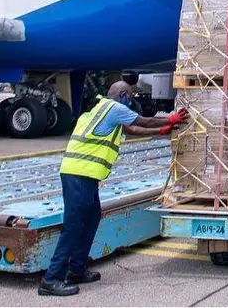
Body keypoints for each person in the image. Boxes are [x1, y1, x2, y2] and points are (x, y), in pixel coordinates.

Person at [38, 81, 188, 297]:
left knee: (91, 219)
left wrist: (163, 130)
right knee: (73, 226)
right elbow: (143, 120)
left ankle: (76, 270)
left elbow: (132, 129)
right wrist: (170, 119)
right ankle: (51, 279)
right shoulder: (115, 108)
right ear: (125, 95)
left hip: (85, 175)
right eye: (130, 97)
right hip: (79, 175)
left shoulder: (101, 109)